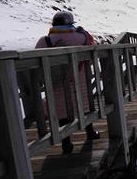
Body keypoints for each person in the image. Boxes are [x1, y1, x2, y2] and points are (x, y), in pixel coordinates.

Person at [35, 11, 100, 154]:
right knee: (85, 105)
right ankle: (90, 132)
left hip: (57, 82)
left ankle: (66, 143)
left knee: (61, 110)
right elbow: (92, 45)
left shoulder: (45, 41)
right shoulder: (81, 37)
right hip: (80, 79)